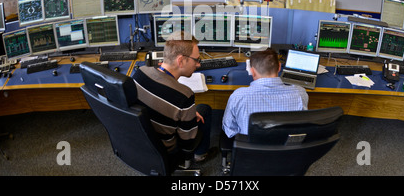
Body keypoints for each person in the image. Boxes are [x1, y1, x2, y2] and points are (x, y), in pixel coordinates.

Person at [132, 31, 212, 165]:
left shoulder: (141, 72)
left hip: (138, 141)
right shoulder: (184, 95)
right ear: (181, 60)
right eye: (196, 60)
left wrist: (185, 113)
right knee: (205, 109)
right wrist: (188, 115)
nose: (198, 65)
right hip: (166, 150)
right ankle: (200, 155)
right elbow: (187, 142)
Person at [222, 48, 308, 138]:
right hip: (286, 149)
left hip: (250, 149)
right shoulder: (300, 93)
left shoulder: (238, 96)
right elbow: (302, 126)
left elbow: (229, 129)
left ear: (252, 71)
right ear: (279, 67)